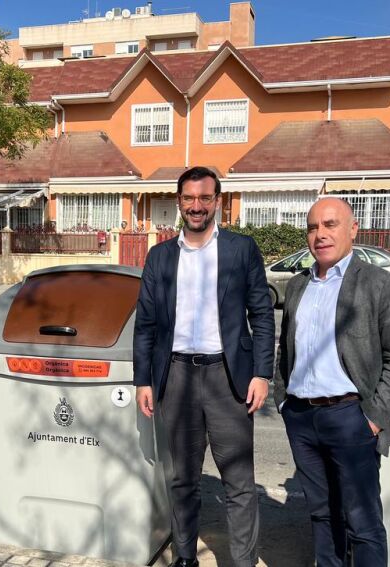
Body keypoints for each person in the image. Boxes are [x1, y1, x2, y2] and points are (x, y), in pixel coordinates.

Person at [134, 166, 275, 567]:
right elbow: (145, 323)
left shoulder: (241, 249)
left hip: (228, 378)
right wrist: (144, 380)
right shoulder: (160, 257)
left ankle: (243, 562)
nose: (196, 206)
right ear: (179, 202)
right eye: (189, 199)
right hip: (176, 376)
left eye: (205, 198)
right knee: (183, 479)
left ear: (218, 202)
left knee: (239, 483)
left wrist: (262, 373)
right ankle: (184, 558)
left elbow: (262, 315)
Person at [272, 198, 390, 567]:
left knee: (362, 521)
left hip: (351, 416)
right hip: (302, 417)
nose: (320, 234)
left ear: (353, 230)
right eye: (312, 227)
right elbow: (286, 348)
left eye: (330, 224)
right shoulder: (299, 285)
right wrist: (284, 400)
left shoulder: (379, 284)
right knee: (321, 514)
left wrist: (373, 416)